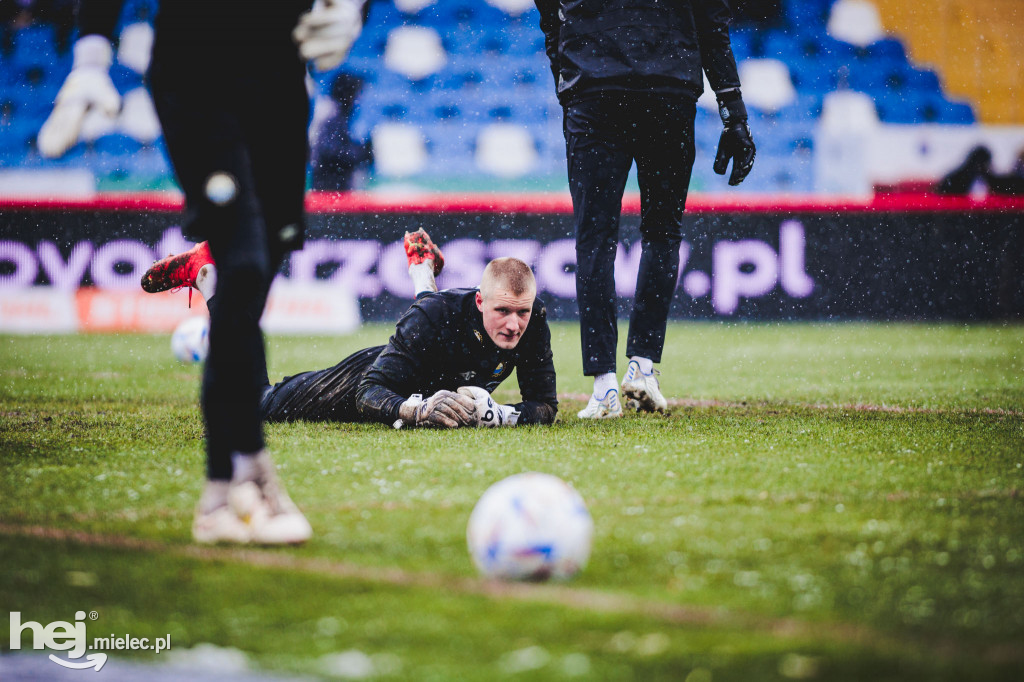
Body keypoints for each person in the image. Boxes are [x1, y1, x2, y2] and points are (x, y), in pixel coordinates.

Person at [37, 0, 366, 544]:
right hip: (196, 70)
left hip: (280, 76)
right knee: (242, 267)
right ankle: (251, 474)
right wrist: (92, 53)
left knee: (252, 284)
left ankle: (218, 495)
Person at [534, 0, 756, 418]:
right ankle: (642, 366)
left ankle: (603, 387)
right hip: (666, 87)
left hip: (594, 88)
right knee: (661, 233)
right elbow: (712, 22)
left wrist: (567, 76)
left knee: (594, 239)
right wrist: (732, 111)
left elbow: (550, 14)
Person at [143, 229, 558, 431]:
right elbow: (368, 394)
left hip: (429, 356)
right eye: (504, 310)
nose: (514, 324)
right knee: (257, 405)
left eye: (521, 312)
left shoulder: (531, 319)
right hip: (372, 373)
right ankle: (208, 277)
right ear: (482, 301)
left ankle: (421, 269)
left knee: (431, 316)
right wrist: (417, 410)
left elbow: (545, 405)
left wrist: (501, 416)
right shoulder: (436, 315)